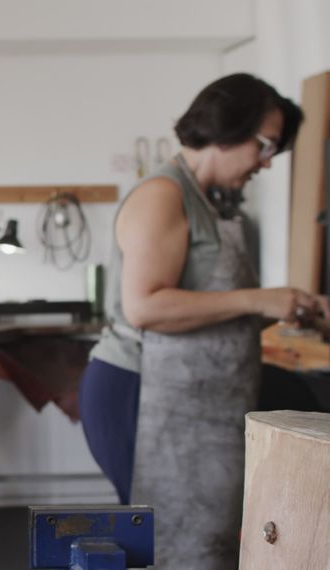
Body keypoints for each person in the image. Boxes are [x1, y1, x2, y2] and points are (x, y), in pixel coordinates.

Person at [79, 73, 328, 568]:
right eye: (265, 145)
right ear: (226, 126)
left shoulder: (208, 203)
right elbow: (147, 308)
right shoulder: (163, 196)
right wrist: (259, 300)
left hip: (182, 395)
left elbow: (207, 314)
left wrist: (295, 305)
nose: (266, 162)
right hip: (138, 389)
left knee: (195, 545)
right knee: (166, 544)